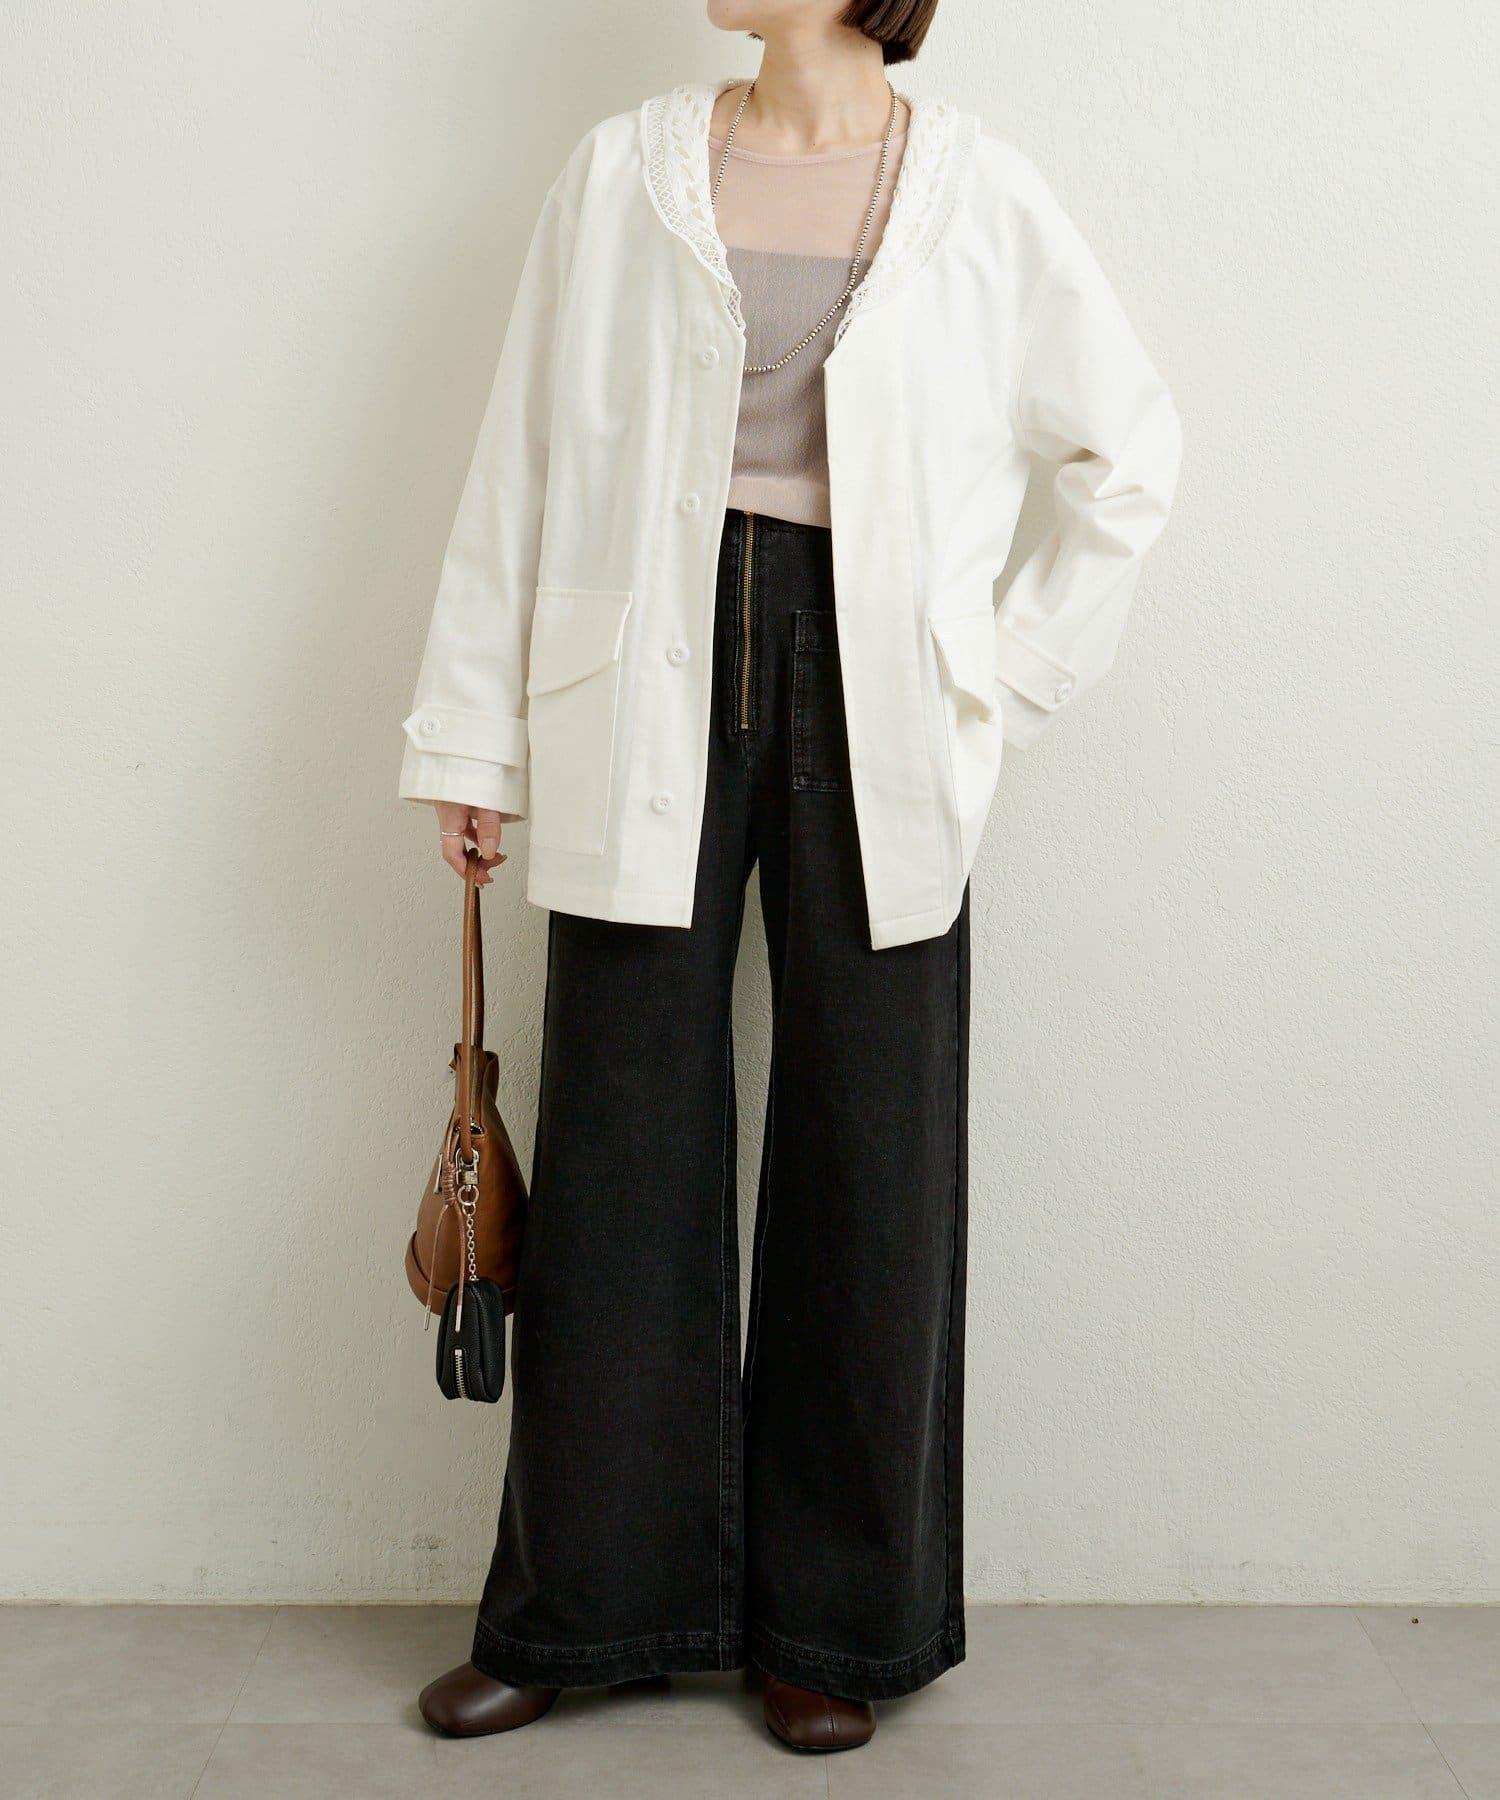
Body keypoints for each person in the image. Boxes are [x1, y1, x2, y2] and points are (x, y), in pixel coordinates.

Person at [399, 0, 1179, 1755]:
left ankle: (837, 1625)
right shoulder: (622, 174)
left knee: (871, 1152)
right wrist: (471, 737)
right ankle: (586, 1607)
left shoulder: (980, 192)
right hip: (639, 680)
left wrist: (1002, 680)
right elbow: (524, 454)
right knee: (619, 1146)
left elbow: (1131, 452)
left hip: (882, 694)